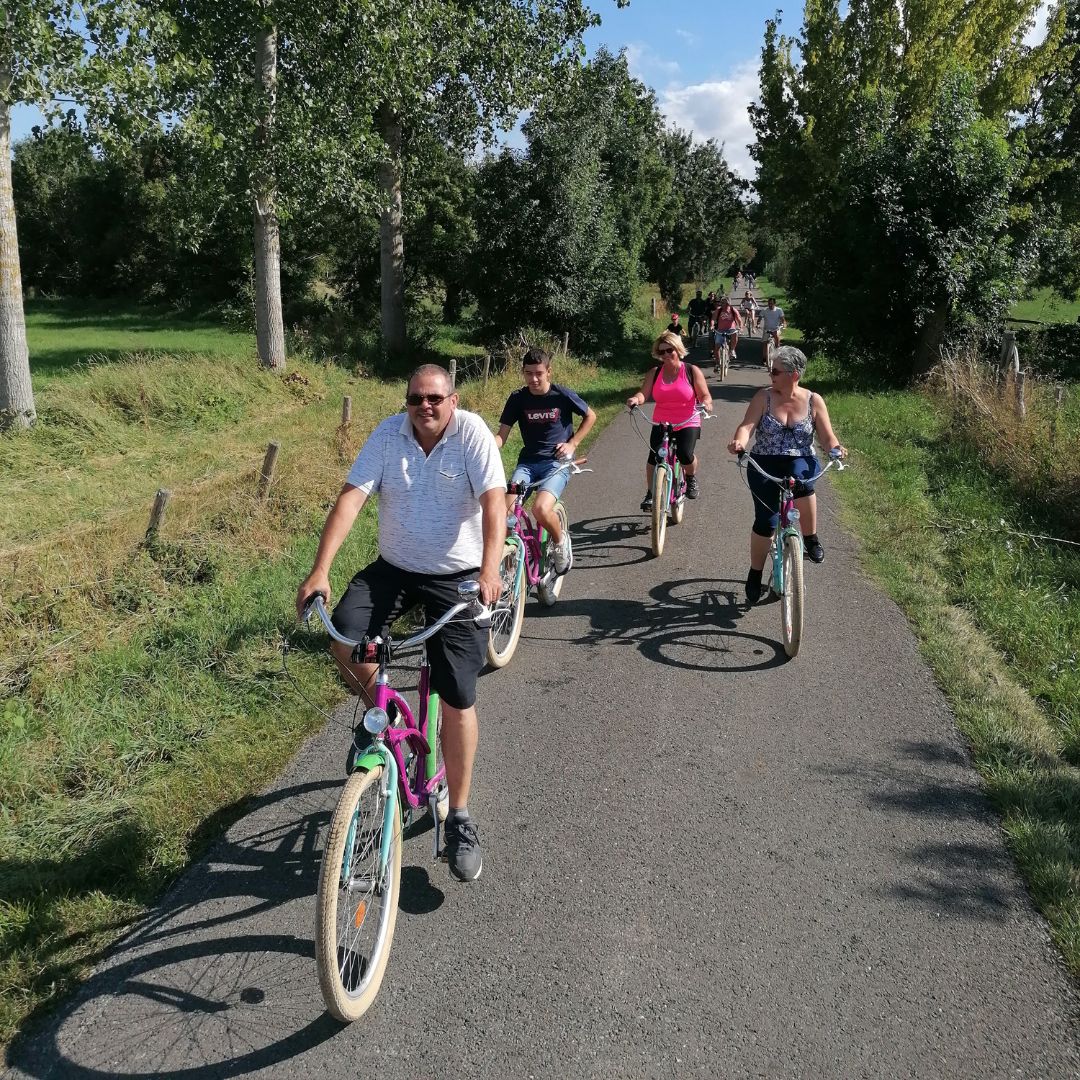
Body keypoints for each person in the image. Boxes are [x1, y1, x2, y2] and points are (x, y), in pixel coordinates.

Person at [296, 364, 506, 883]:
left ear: (453, 400)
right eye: (415, 398)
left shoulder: (472, 434)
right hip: (394, 568)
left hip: (457, 576)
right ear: (406, 400)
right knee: (343, 638)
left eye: (435, 397)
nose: (425, 406)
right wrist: (321, 569)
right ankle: (386, 725)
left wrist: (489, 567)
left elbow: (493, 502)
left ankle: (458, 814)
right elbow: (352, 497)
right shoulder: (389, 434)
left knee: (458, 694)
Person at [726, 346, 847, 603]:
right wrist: (739, 441)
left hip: (800, 458)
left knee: (802, 481)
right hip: (764, 461)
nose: (771, 373)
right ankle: (755, 574)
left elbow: (826, 435)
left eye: (776, 370)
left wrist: (835, 448)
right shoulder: (764, 397)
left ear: (794, 374)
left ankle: (810, 538)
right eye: (771, 369)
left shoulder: (814, 400)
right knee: (765, 522)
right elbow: (747, 426)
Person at [494, 346, 596, 573]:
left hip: (556, 464)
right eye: (529, 373)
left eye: (538, 373)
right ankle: (511, 568)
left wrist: (573, 443)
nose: (534, 378)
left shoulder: (562, 395)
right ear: (523, 373)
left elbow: (591, 415)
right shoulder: (517, 399)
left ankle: (561, 542)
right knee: (504, 513)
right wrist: (486, 447)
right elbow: (502, 436)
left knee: (540, 509)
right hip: (527, 464)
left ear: (548, 372)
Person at [626, 330, 713, 509]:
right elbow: (644, 393)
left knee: (685, 453)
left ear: (677, 350)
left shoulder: (691, 370)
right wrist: (636, 399)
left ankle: (690, 477)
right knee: (655, 456)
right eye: (661, 351)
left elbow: (705, 395)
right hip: (662, 421)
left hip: (688, 420)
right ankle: (651, 493)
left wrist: (706, 404)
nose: (666, 354)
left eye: (669, 350)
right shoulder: (655, 373)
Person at [712, 298, 742, 367]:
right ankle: (717, 364)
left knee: (735, 334)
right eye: (722, 302)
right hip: (720, 330)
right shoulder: (719, 310)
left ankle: (732, 350)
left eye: (724, 303)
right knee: (717, 347)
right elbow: (713, 319)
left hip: (731, 329)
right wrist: (712, 325)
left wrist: (740, 327)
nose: (722, 304)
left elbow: (739, 320)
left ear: (729, 304)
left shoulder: (733, 310)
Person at [760, 297, 787, 366]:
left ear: (775, 304)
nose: (770, 305)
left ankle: (778, 352)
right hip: (767, 329)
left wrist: (784, 325)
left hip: (776, 328)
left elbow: (783, 319)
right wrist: (757, 324)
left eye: (771, 303)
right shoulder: (765, 310)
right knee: (765, 343)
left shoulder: (779, 310)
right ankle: (764, 359)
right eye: (769, 303)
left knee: (776, 336)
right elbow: (760, 318)